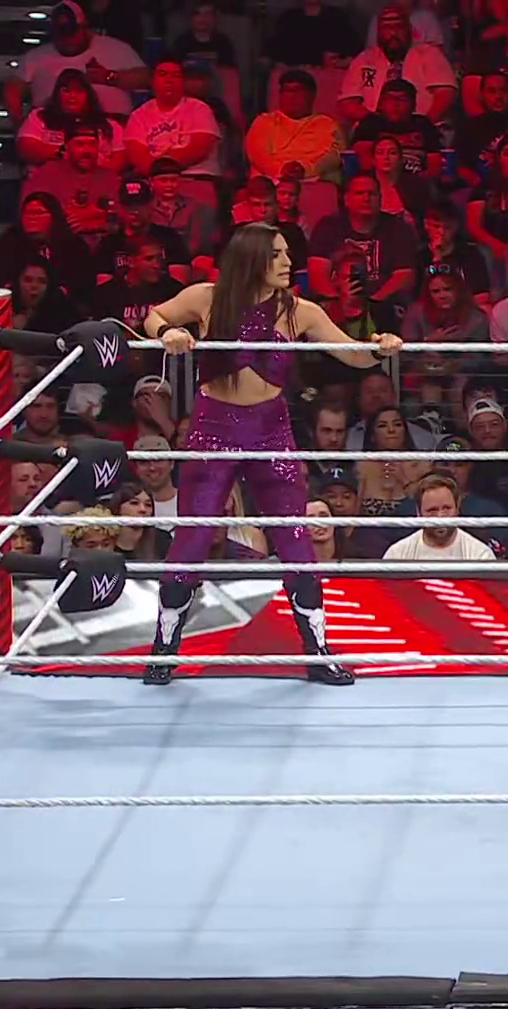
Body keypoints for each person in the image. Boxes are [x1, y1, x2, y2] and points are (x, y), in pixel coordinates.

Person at [142, 223, 405, 685]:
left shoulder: (299, 311)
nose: (288, 262)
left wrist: (381, 347)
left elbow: (352, 354)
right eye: (278, 254)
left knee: (294, 538)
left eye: (287, 253)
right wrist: (169, 332)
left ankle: (318, 653)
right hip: (214, 429)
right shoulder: (208, 298)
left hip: (270, 431)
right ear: (254, 258)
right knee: (193, 538)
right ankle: (163, 651)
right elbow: (154, 315)